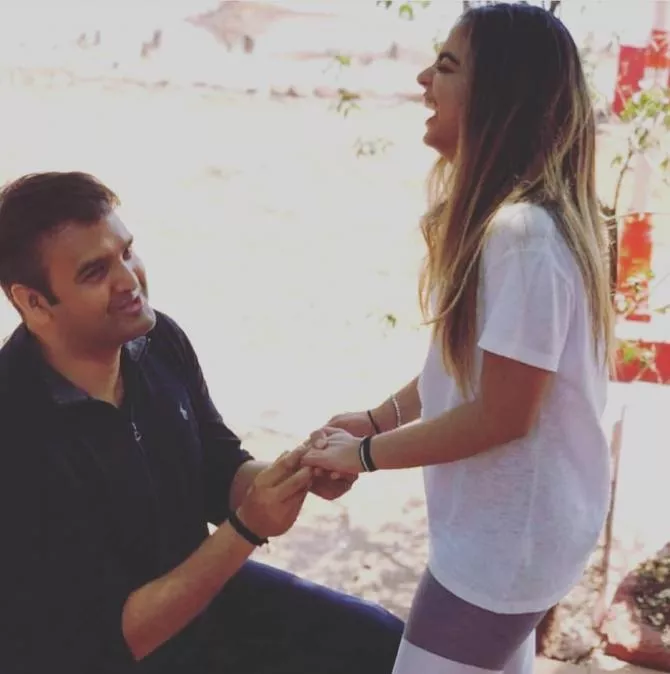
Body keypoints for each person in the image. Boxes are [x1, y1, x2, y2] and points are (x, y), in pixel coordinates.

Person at [302, 4, 614, 674]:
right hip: (511, 538)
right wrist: (378, 419)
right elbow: (472, 368)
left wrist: (363, 455)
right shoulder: (514, 226)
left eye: (445, 66)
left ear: (499, 96)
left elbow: (502, 413)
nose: (423, 80)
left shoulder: (523, 237)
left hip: (506, 550)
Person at [0, 171, 403, 674]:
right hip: (110, 652)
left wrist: (297, 472)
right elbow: (115, 639)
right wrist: (247, 527)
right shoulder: (15, 429)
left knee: (386, 646)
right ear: (34, 303)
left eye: (127, 252)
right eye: (95, 272)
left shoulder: (156, 339)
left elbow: (217, 467)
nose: (129, 280)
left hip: (203, 600)